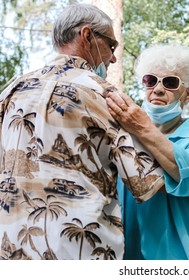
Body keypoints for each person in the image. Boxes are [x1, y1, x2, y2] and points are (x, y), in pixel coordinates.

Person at [0, 4, 164, 260]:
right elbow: (145, 183)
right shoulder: (104, 94)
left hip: (11, 250)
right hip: (81, 251)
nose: (113, 58)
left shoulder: (11, 91)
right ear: (87, 36)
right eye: (111, 45)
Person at [105, 43, 189, 260]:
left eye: (170, 82)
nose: (158, 89)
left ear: (188, 94)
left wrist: (143, 128)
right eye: (150, 80)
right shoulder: (122, 136)